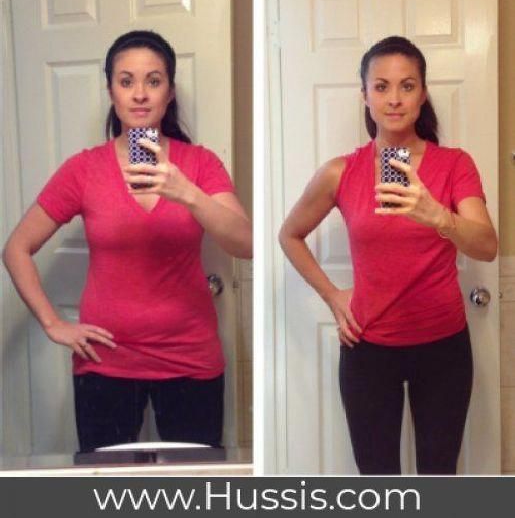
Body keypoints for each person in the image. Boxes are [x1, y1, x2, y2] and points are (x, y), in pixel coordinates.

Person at [3, 29, 251, 453]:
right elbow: (16, 248)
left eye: (153, 81)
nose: (140, 94)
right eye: (126, 81)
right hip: (105, 362)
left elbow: (245, 244)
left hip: (190, 358)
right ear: (111, 91)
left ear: (169, 93)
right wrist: (54, 324)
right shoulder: (84, 170)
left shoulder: (199, 163)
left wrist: (186, 192)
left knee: (193, 490)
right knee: (106, 488)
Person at [279, 35, 497, 476]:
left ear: (423, 93)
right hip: (368, 348)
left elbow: (487, 247)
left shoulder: (455, 164)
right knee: (377, 478)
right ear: (364, 95)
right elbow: (290, 235)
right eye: (381, 86)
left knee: (439, 475)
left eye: (407, 85)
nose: (394, 99)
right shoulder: (341, 171)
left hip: (443, 347)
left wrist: (438, 215)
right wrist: (333, 297)